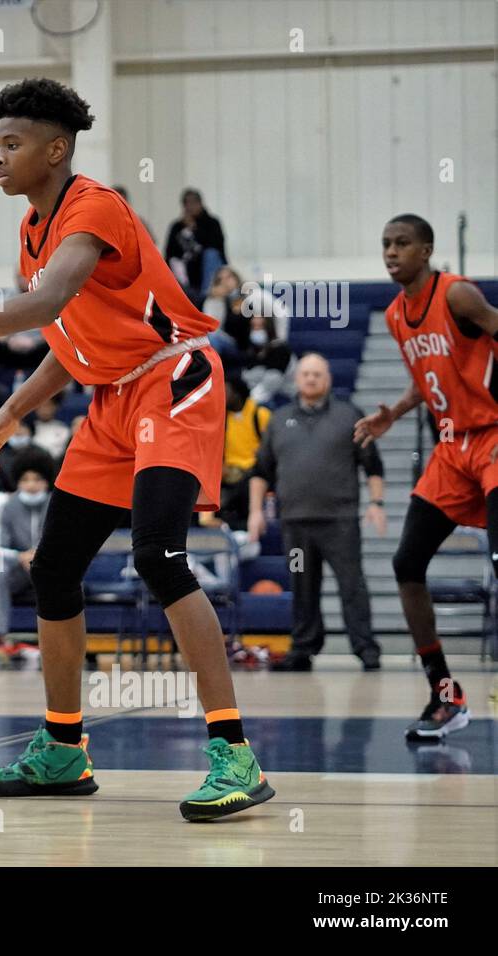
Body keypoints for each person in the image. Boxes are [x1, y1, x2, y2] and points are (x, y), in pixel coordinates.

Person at [0, 77, 272, 820]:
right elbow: (67, 343)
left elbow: (38, 308)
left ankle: (234, 753)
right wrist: (4, 414)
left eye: (13, 144)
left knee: (159, 556)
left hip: (173, 376)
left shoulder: (93, 207)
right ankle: (63, 749)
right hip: (111, 399)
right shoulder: (32, 228)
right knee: (54, 569)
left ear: (55, 150)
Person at [354, 214, 498, 739]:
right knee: (406, 562)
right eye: (386, 244)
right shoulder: (396, 315)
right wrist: (392, 412)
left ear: (427, 250)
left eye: (402, 243)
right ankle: (445, 696)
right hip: (451, 449)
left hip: (492, 437)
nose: (392, 252)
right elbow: (427, 379)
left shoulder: (457, 295)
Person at [248, 353, 385, 671]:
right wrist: (256, 511)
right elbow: (260, 471)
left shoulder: (350, 416)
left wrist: (376, 504)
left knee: (352, 585)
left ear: (328, 380)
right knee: (302, 586)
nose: (311, 379)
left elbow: (373, 465)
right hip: (295, 523)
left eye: (317, 374)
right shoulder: (279, 420)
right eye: (306, 374)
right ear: (297, 379)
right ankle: (303, 647)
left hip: (340, 522)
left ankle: (365, 648)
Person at [0, 452, 52, 664]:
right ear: (18, 482)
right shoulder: (5, 506)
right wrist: (20, 556)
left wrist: (40, 557)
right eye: (26, 480)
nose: (31, 485)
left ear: (47, 481)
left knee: (59, 572)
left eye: (37, 479)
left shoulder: (57, 504)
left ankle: (52, 642)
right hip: (17, 570)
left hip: (50, 567)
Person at [218, 376, 269, 531]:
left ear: (237, 393)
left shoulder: (260, 414)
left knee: (246, 486)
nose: (222, 395)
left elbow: (272, 449)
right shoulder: (222, 417)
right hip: (229, 473)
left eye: (226, 391)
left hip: (255, 471)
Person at [164, 187, 226, 301]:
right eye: (187, 203)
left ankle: (205, 297)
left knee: (210, 254)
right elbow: (169, 253)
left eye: (194, 202)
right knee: (174, 262)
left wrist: (195, 230)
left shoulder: (212, 223)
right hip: (186, 271)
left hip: (208, 269)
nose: (191, 207)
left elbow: (215, 247)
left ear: (200, 203)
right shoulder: (177, 227)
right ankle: (184, 296)